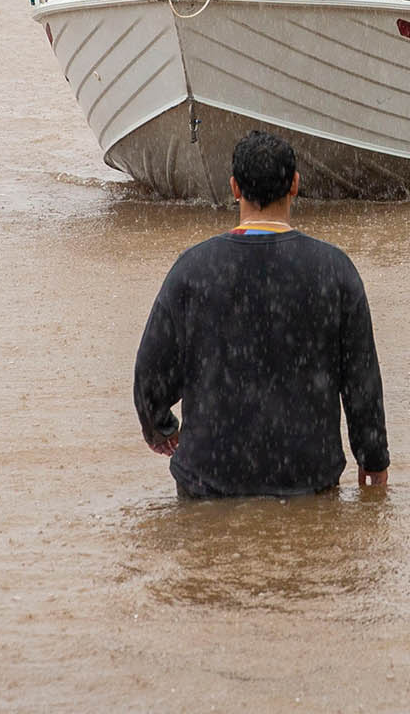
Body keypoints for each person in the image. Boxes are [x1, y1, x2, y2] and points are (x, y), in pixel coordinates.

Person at [133, 131, 390, 498]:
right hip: (306, 476)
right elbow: (361, 380)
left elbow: (150, 372)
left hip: (210, 476)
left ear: (235, 188)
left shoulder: (193, 269)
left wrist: (160, 426)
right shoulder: (334, 269)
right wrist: (373, 458)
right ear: (296, 185)